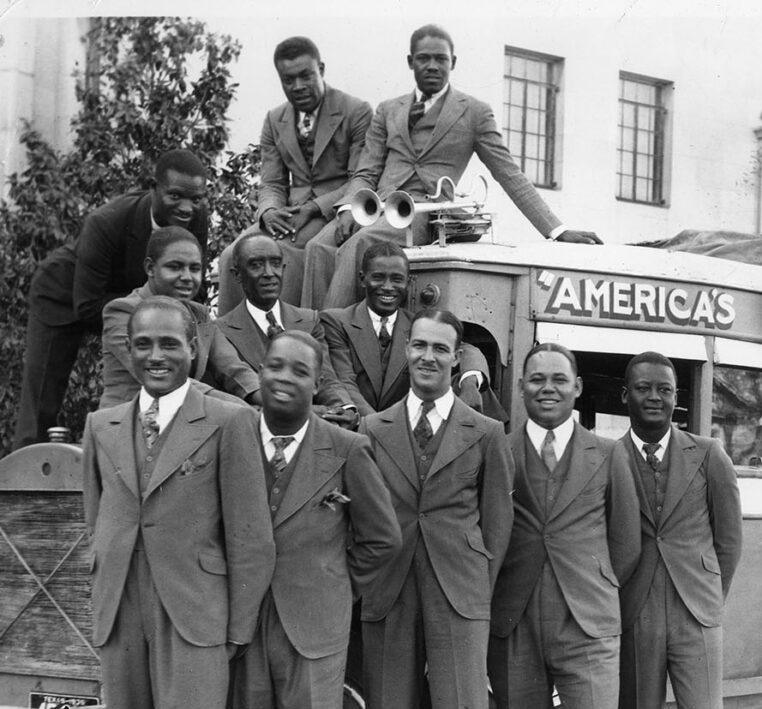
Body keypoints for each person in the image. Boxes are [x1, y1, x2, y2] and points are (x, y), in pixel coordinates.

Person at [70, 297, 274, 709]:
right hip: (122, 612)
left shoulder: (229, 419)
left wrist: (235, 631)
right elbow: (100, 521)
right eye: (144, 345)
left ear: (196, 347)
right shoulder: (101, 425)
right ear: (128, 350)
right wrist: (106, 606)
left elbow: (251, 538)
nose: (156, 356)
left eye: (170, 345)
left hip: (195, 618)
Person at [227, 330, 401, 709]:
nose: (281, 377)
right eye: (272, 365)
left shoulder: (347, 449)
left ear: (315, 382)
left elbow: (382, 539)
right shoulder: (235, 437)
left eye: (298, 371)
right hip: (246, 626)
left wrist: (337, 589)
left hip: (316, 631)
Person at [346, 308, 514, 709]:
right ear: (408, 352)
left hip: (458, 592)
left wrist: (475, 588)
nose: (427, 357)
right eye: (418, 345)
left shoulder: (486, 431)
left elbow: (498, 521)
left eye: (440, 349)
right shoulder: (371, 428)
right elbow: (362, 517)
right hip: (390, 595)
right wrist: (370, 582)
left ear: (455, 359)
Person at [488, 343, 640, 709]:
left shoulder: (608, 454)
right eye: (535, 379)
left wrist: (593, 584)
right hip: (515, 615)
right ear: (520, 388)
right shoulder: (497, 451)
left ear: (578, 388)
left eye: (558, 379)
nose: (547, 388)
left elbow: (625, 543)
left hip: (589, 621)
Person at [312, 24, 601, 309]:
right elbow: (367, 171)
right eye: (424, 58)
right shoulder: (388, 109)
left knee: (360, 244)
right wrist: (349, 207)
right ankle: (304, 334)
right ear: (411, 62)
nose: (433, 66)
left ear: (454, 63)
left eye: (441, 59)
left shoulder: (475, 112)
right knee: (318, 246)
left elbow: (508, 173)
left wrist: (557, 230)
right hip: (377, 205)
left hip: (425, 211)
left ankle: (327, 339)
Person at [616, 351, 743, 709]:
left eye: (664, 390)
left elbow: (729, 538)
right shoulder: (607, 456)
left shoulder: (709, 454)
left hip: (696, 612)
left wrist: (710, 597)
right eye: (643, 388)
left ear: (677, 398)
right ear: (626, 396)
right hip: (634, 610)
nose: (654, 397)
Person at [16, 150, 208, 447]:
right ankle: (22, 485)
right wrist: (147, 308)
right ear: (153, 187)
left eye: (196, 199)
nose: (187, 208)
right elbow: (88, 304)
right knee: (42, 399)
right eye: (175, 196)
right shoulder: (106, 221)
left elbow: (191, 290)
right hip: (65, 296)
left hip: (138, 302)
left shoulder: (196, 218)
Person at [216, 37, 372, 314]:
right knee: (231, 256)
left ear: (321, 69)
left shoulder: (355, 111)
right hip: (288, 215)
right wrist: (269, 211)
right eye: (288, 80)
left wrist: (313, 208)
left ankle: (293, 334)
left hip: (331, 211)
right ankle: (228, 339)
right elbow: (272, 182)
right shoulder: (275, 119)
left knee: (284, 256)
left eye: (305, 76)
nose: (298, 86)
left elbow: (359, 176)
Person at [319, 241, 501, 419]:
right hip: (361, 426)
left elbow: (467, 350)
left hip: (406, 428)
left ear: (408, 281)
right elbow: (345, 382)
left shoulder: (417, 323)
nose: (388, 287)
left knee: (474, 389)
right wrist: (380, 428)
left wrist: (469, 382)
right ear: (362, 279)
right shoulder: (336, 321)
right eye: (378, 277)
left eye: (397, 279)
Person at [99, 227, 257, 408]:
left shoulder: (199, 315)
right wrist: (242, 409)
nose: (187, 277)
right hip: (128, 424)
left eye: (195, 268)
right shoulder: (123, 312)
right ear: (150, 268)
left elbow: (233, 368)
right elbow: (166, 378)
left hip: (183, 422)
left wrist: (268, 401)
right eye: (175, 267)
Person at [212, 232, 356, 423]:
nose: (269, 273)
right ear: (237, 275)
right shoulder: (221, 330)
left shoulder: (308, 320)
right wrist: (311, 412)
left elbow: (325, 378)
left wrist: (344, 407)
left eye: (276, 263)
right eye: (256, 265)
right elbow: (240, 387)